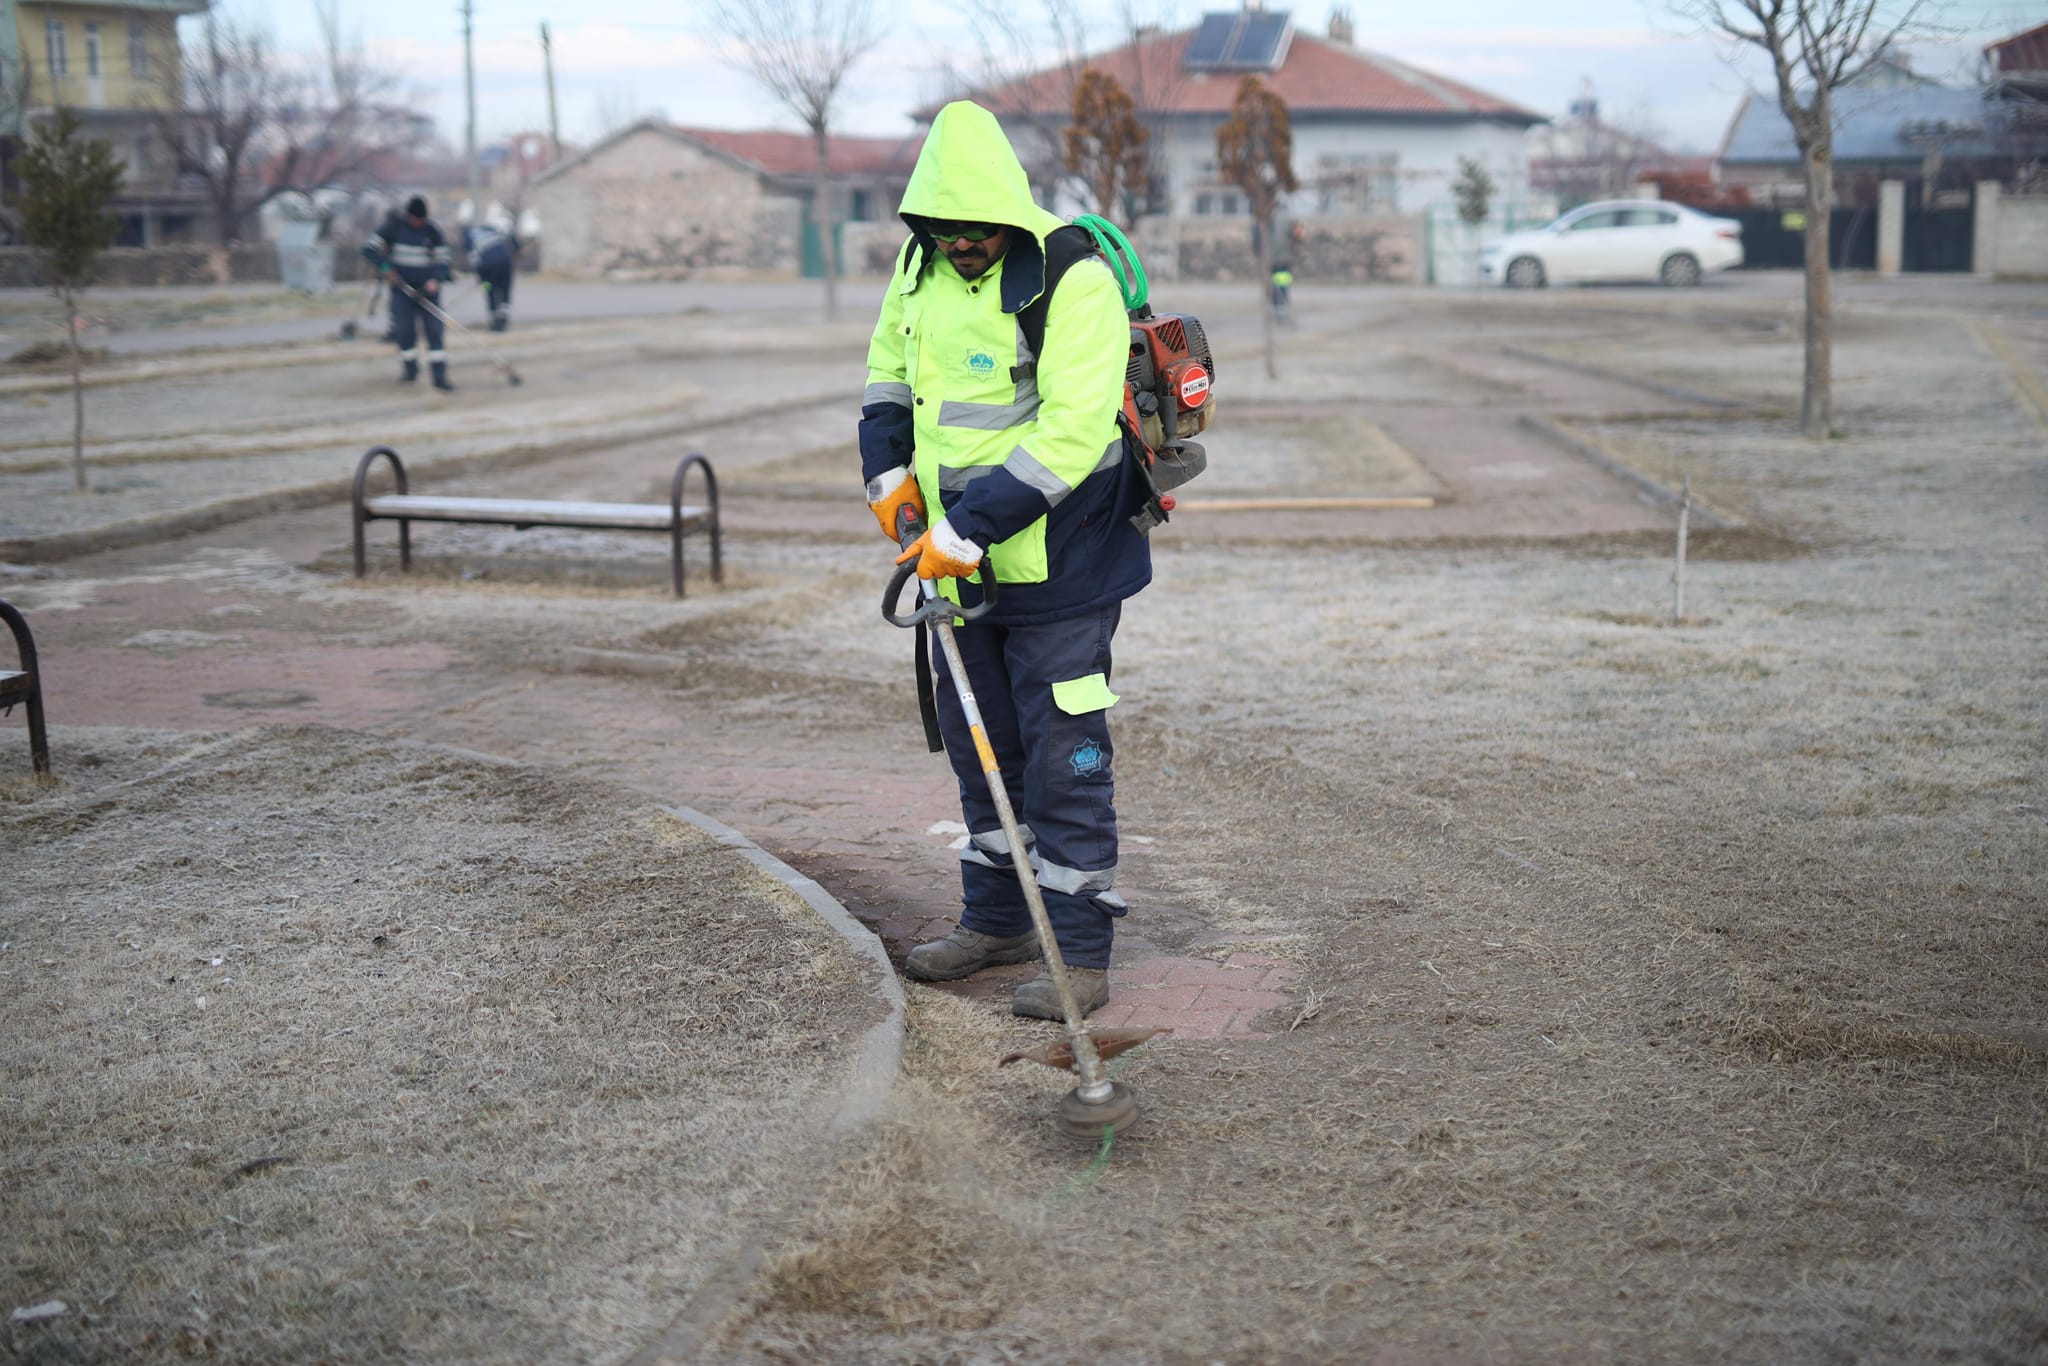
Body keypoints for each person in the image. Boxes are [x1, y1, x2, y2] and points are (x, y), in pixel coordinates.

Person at [860, 100, 1149, 1020]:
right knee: (983, 750)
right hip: (957, 564)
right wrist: (886, 474)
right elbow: (886, 375)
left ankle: (1080, 951)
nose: (960, 248)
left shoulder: (1073, 277)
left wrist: (968, 528)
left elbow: (1070, 433)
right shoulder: (918, 268)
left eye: (975, 233)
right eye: (943, 233)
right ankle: (996, 919)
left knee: (1064, 753)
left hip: (1061, 564)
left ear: (1007, 214)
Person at [363, 195, 455, 390]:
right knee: (405, 331)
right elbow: (369, 249)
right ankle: (410, 371)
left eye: (422, 220)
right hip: (402, 289)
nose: (419, 224)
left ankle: (439, 376)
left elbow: (444, 259)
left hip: (428, 291)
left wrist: (435, 279)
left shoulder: (432, 231)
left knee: (435, 332)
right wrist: (386, 267)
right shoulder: (394, 228)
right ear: (408, 216)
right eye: (416, 220)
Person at [464, 211, 520, 332]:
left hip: (487, 266)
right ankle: (503, 319)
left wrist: (480, 277)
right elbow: (511, 238)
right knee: (505, 289)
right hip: (505, 261)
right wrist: (516, 250)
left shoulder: (469, 236)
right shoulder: (492, 229)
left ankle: (494, 320)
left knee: (488, 290)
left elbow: (474, 259)